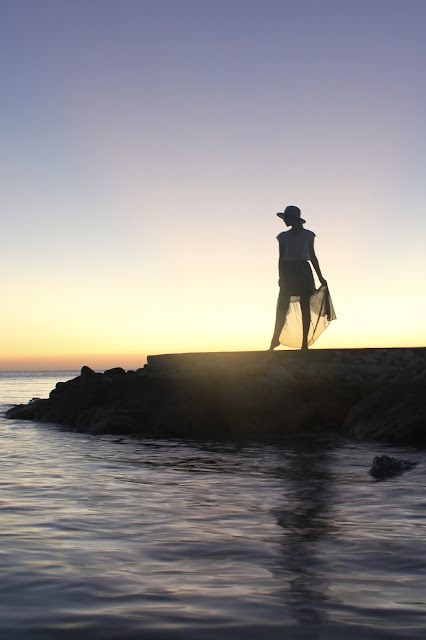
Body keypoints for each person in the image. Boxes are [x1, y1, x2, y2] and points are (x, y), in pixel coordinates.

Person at [269, 205, 329, 350]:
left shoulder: (309, 235)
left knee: (305, 307)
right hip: (288, 271)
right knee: (282, 307)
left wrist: (320, 276)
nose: (284, 221)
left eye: (286, 218)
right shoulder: (283, 237)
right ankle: (274, 342)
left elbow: (313, 256)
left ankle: (304, 343)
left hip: (303, 270)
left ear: (293, 219)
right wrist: (281, 276)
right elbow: (281, 258)